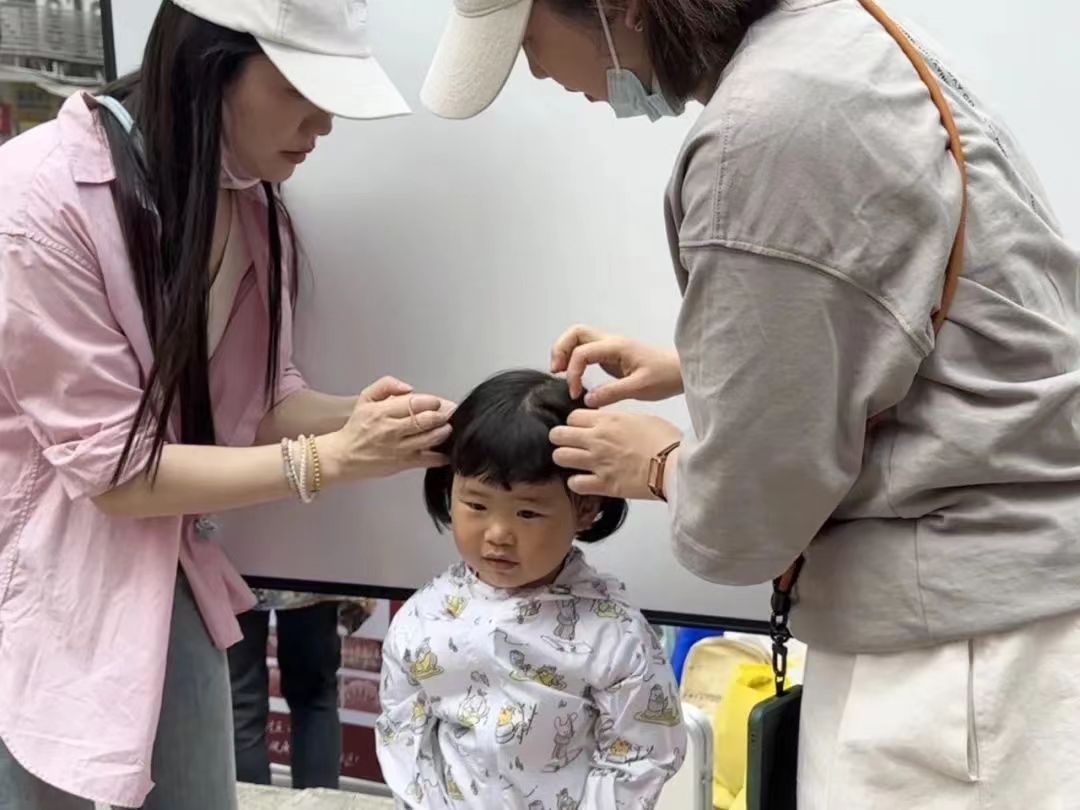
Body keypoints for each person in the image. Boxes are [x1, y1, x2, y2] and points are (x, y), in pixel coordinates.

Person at [420, 0, 1080, 807]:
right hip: (1003, 642)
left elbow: (748, 520)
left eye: (527, 41)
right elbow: (893, 324)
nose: (538, 72)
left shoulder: (763, 133)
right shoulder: (841, 45)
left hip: (953, 677)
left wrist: (661, 463)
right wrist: (704, 366)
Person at [0, 1, 453, 808]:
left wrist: (370, 421)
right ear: (209, 67)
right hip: (45, 579)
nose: (322, 125)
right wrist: (331, 458)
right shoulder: (38, 198)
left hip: (160, 563)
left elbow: (253, 405)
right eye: (301, 91)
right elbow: (115, 471)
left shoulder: (248, 198)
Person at [376, 370, 686, 809]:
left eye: (527, 513)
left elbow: (641, 753)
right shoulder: (424, 617)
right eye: (476, 504)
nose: (498, 534)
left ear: (585, 507)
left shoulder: (613, 635)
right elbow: (402, 728)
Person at [229, 589, 374, 789]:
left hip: (241, 575)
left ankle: (248, 801)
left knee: (241, 704)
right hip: (308, 578)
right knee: (315, 697)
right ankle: (317, 802)